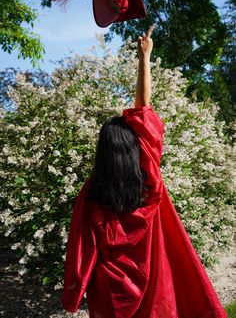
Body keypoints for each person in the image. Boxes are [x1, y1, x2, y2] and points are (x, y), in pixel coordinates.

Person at [61, 26, 227, 318]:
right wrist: (144, 57)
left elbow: (81, 244)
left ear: (103, 153)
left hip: (109, 292)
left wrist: (74, 292)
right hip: (153, 282)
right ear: (134, 149)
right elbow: (143, 110)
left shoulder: (93, 192)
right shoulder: (150, 181)